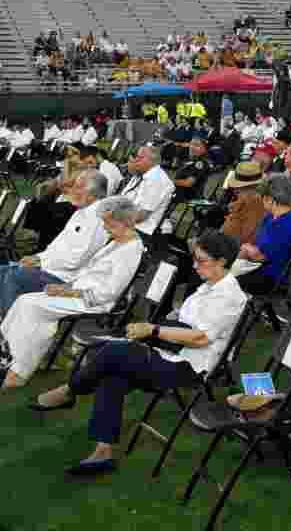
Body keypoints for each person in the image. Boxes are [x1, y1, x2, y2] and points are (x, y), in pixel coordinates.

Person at [31, 231, 248, 478]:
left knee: (114, 351)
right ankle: (103, 453)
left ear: (221, 261)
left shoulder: (229, 296)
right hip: (168, 352)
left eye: (201, 260)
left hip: (187, 367)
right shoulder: (208, 286)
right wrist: (168, 322)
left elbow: (201, 338)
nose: (195, 265)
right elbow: (186, 321)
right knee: (112, 374)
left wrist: (154, 329)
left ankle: (70, 390)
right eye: (195, 259)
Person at [1, 199, 144, 387]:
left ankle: (18, 372)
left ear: (125, 223)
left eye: (109, 224)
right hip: (77, 291)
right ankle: (7, 356)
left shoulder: (130, 250)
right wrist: (66, 288)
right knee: (24, 301)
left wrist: (67, 291)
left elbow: (108, 293)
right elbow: (91, 274)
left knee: (31, 306)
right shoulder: (117, 241)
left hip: (92, 301)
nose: (105, 227)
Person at [0, 170, 109, 319]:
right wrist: (36, 257)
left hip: (65, 279)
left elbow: (76, 260)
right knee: (3, 271)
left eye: (78, 187)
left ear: (93, 194)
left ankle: (9, 327)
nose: (72, 191)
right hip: (51, 269)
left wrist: (40, 262)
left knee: (15, 276)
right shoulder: (81, 212)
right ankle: (7, 320)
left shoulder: (98, 219)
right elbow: (56, 246)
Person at [230, 173, 291, 296]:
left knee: (224, 280)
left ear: (271, 199)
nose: (262, 201)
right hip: (255, 267)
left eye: (263, 198)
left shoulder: (288, 223)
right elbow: (257, 247)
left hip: (269, 276)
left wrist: (247, 249)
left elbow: (262, 256)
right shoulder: (269, 217)